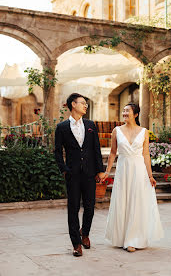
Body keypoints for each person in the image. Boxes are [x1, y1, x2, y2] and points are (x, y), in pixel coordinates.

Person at [104, 103, 164, 252]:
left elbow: (145, 154)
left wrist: (150, 175)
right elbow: (112, 153)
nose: (124, 113)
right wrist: (107, 172)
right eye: (123, 111)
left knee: (137, 203)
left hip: (139, 170)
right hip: (123, 170)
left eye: (127, 111)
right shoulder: (116, 131)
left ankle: (133, 239)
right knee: (123, 202)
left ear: (135, 114)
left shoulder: (144, 132)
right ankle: (122, 237)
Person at [55, 93, 105, 257]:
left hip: (90, 173)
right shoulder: (62, 127)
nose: (86, 106)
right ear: (73, 105)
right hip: (73, 174)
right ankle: (76, 244)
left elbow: (96, 149)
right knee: (73, 208)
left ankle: (85, 234)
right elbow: (57, 152)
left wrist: (100, 170)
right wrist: (64, 169)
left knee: (90, 206)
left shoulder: (90, 125)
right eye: (83, 103)